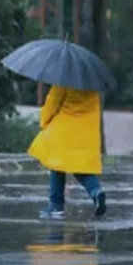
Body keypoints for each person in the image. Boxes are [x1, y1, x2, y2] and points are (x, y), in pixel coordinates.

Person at [27, 84, 107, 219]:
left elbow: (52, 104)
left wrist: (43, 122)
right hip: (85, 132)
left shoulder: (63, 83)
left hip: (63, 131)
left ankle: (56, 205)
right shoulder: (92, 87)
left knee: (56, 165)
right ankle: (96, 191)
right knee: (80, 169)